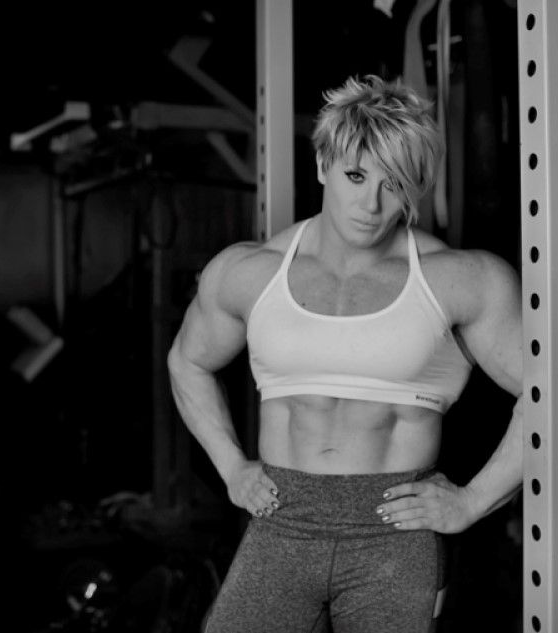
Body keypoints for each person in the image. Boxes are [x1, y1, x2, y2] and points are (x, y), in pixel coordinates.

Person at [167, 75, 523, 632]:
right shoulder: (250, 271)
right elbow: (187, 362)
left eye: (394, 184)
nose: (371, 205)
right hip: (281, 519)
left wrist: (473, 501)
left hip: (394, 533)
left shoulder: (460, 279)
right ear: (322, 166)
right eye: (356, 176)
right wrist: (231, 467)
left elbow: (555, 395)